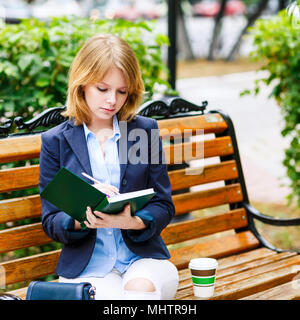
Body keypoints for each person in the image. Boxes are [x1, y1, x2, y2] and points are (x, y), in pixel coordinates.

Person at [39, 34, 179, 300]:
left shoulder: (143, 132)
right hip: (88, 267)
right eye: (102, 89)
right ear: (82, 84)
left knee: (140, 289)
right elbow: (51, 220)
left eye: (121, 91)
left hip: (143, 260)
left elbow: (164, 204)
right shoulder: (55, 142)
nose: (112, 101)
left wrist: (134, 221)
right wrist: (82, 218)